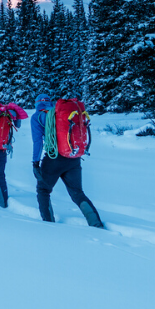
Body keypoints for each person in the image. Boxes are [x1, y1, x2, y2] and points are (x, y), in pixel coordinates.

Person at [31, 94, 104, 228]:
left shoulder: (37, 117)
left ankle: (48, 225)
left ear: (36, 104)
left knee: (43, 190)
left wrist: (35, 163)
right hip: (73, 157)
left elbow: (38, 142)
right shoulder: (62, 113)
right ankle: (96, 223)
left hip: (54, 158)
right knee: (77, 192)